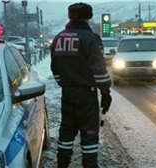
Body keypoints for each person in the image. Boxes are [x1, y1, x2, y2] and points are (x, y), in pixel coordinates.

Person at [50, 2, 112, 168]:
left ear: (70, 16)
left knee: (66, 131)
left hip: (67, 93)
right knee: (89, 134)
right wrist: (105, 92)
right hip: (86, 94)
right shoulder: (91, 39)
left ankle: (62, 164)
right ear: (88, 18)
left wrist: (65, 83)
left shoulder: (58, 38)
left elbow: (54, 68)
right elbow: (99, 70)